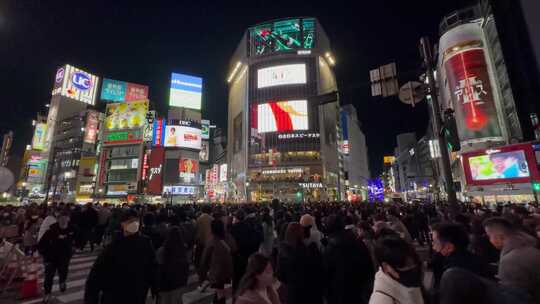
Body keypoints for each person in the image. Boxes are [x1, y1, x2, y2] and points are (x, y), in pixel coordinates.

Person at [84, 209, 158, 304]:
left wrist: (155, 288)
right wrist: (91, 299)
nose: (134, 224)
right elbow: (96, 274)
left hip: (137, 294)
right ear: (123, 224)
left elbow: (152, 267)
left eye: (136, 221)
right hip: (114, 295)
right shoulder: (113, 246)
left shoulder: (145, 243)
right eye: (130, 221)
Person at [484, 217, 540, 303]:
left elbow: (515, 299)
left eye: (489, 236)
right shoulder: (530, 245)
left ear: (500, 237)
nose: (490, 240)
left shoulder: (510, 262)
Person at [325, 215, 374, 304]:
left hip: (341, 288)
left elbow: (327, 271)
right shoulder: (356, 239)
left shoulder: (332, 246)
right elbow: (368, 263)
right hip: (359, 286)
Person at [431, 223, 491, 288]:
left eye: (435, 242)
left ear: (449, 247)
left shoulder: (453, 271)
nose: (433, 246)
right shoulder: (474, 258)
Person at [277, 222, 324, 304]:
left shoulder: (283, 251)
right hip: (308, 291)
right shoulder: (307, 250)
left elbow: (280, 275)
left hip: (292, 292)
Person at [368, 237, 424, 304]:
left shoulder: (408, 282)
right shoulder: (380, 300)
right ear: (386, 267)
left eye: (414, 263)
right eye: (404, 265)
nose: (412, 269)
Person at [37, 212, 75, 303]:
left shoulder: (73, 230)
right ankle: (47, 293)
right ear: (57, 219)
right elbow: (41, 245)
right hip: (51, 258)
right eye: (61, 218)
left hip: (64, 257)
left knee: (63, 271)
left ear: (68, 219)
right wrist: (45, 257)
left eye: (65, 218)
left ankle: (62, 281)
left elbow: (79, 238)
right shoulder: (51, 231)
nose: (63, 220)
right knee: (49, 276)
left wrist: (75, 248)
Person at [199, 219, 234, 304]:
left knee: (220, 292)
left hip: (216, 271)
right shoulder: (228, 237)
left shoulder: (212, 240)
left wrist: (203, 271)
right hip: (228, 268)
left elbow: (204, 258)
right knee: (220, 290)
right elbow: (234, 248)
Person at [230, 210, 263, 294]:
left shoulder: (233, 229)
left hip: (237, 258)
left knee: (237, 280)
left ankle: (236, 298)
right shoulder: (250, 227)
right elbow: (259, 238)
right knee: (248, 280)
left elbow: (230, 245)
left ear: (236, 218)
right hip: (249, 258)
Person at [156, 226, 190, 304]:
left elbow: (158, 268)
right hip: (179, 282)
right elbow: (186, 265)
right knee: (177, 300)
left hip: (165, 283)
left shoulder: (162, 250)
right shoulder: (183, 249)